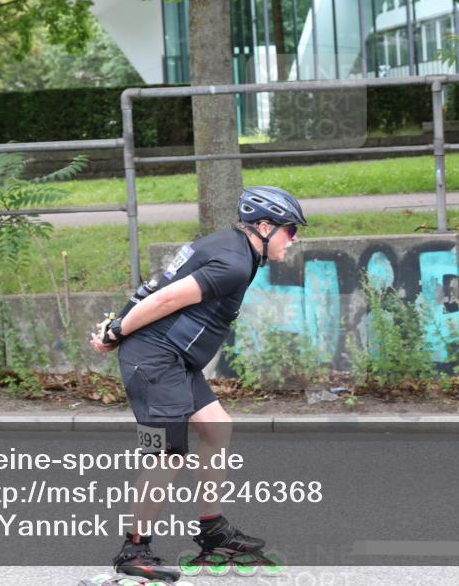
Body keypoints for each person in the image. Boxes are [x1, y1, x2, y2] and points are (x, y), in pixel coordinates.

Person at [90, 186, 307, 581]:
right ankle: (133, 551)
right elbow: (164, 300)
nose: (293, 240)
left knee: (216, 428)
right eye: (290, 231)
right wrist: (115, 332)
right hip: (154, 361)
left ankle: (213, 531)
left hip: (171, 358)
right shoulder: (234, 263)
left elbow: (153, 285)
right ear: (263, 226)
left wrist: (117, 325)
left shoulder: (228, 246)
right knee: (168, 455)